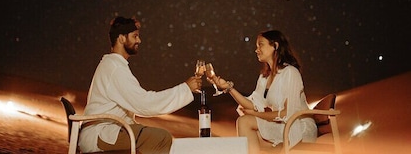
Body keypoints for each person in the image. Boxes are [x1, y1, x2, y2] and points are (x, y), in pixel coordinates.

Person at [78, 16, 202, 154]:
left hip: (110, 130)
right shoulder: (115, 69)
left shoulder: (114, 65)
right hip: (101, 134)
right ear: (121, 38)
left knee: (154, 139)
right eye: (135, 36)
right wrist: (185, 88)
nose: (139, 40)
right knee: (161, 138)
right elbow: (144, 104)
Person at [209, 30, 317, 153]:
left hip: (298, 127)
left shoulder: (290, 72)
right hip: (281, 126)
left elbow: (287, 113)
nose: (257, 50)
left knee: (246, 122)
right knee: (244, 127)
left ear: (275, 46)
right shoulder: (264, 78)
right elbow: (253, 105)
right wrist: (228, 88)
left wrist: (255, 115)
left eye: (261, 44)